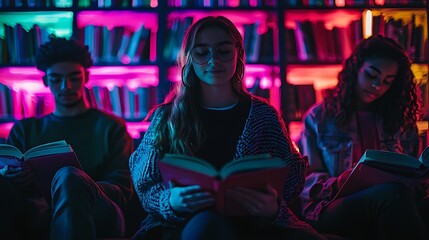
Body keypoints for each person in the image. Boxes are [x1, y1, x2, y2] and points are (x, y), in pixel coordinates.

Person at [129, 16, 326, 240]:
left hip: (254, 223)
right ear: (189, 59)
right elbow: (144, 182)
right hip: (183, 224)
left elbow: (290, 176)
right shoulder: (166, 117)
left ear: (238, 54)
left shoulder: (264, 116)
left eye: (223, 51)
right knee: (207, 227)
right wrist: (170, 201)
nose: (214, 61)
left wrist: (272, 207)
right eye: (202, 53)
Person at [0, 35, 134, 239]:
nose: (66, 87)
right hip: (35, 212)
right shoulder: (25, 129)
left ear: (86, 78)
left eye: (74, 78)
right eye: (56, 79)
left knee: (68, 176)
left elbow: (122, 189)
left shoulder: (111, 127)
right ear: (46, 81)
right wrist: (14, 178)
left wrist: (74, 186)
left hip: (99, 212)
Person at [299, 34, 428, 239]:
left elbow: (412, 169)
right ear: (356, 68)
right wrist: (342, 182)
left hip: (392, 199)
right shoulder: (319, 118)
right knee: (392, 195)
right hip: (330, 206)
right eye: (371, 75)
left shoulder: (400, 121)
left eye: (388, 81)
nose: (378, 86)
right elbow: (306, 181)